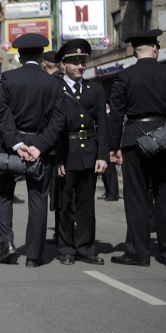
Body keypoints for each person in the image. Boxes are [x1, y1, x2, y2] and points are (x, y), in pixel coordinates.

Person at [108, 29, 166, 267]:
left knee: (137, 199)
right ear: (155, 49)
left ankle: (138, 253)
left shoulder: (124, 77)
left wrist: (114, 147)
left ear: (133, 52)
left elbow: (116, 116)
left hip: (134, 142)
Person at [0, 33, 65, 267]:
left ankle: (7, 244)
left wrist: (16, 143)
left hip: (10, 148)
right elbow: (58, 119)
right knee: (38, 199)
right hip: (40, 150)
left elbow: (1, 115)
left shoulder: (8, 78)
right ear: (41, 55)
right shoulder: (53, 82)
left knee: (3, 194)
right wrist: (39, 146)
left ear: (20, 56)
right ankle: (34, 256)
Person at [53, 39, 108, 266]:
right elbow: (52, 128)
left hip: (88, 153)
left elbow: (103, 124)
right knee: (65, 205)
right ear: (63, 64)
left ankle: (85, 247)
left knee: (86, 205)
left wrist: (103, 155)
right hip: (66, 153)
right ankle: (66, 248)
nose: (80, 66)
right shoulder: (55, 89)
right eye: (74, 62)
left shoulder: (94, 89)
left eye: (82, 62)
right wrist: (56, 160)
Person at [100, 104, 120, 201]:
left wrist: (113, 148)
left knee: (110, 173)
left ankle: (113, 193)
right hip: (106, 148)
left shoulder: (109, 117)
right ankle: (108, 191)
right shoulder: (106, 117)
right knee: (106, 172)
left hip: (110, 147)